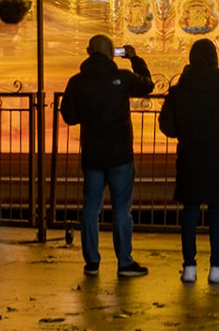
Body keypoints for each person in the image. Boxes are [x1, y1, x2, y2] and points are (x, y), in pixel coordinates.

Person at [60, 34, 155, 277]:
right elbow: (147, 85)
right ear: (113, 53)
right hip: (120, 153)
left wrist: (89, 115)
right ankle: (124, 262)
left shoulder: (77, 82)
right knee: (122, 209)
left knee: (91, 208)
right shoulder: (121, 78)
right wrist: (135, 59)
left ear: (88, 51)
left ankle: (92, 261)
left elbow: (69, 116)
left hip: (92, 153)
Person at [158, 38, 219, 285]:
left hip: (189, 155)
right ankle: (216, 265)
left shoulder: (178, 90)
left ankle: (189, 266)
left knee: (190, 211)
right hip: (216, 156)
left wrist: (185, 131)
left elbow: (167, 125)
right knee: (217, 210)